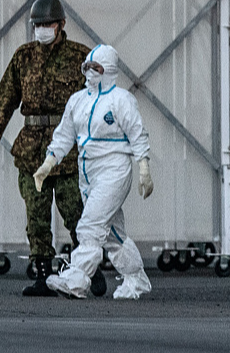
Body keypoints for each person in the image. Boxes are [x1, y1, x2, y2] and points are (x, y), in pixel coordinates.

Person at [0, 0, 91, 295]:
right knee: (36, 216)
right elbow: (6, 97)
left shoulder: (81, 57)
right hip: (31, 150)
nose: (42, 29)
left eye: (47, 24)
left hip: (67, 150)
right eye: (37, 24)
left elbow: (97, 101)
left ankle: (86, 269)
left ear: (61, 24)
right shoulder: (23, 57)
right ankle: (42, 274)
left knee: (76, 213)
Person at [36, 45, 153, 300]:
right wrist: (48, 163)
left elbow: (137, 133)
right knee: (112, 235)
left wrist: (143, 166)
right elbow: (64, 136)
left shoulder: (122, 100)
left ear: (109, 70)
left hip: (114, 170)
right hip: (87, 172)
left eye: (96, 68)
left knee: (90, 225)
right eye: (87, 67)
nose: (90, 73)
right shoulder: (78, 100)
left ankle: (77, 279)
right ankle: (136, 279)